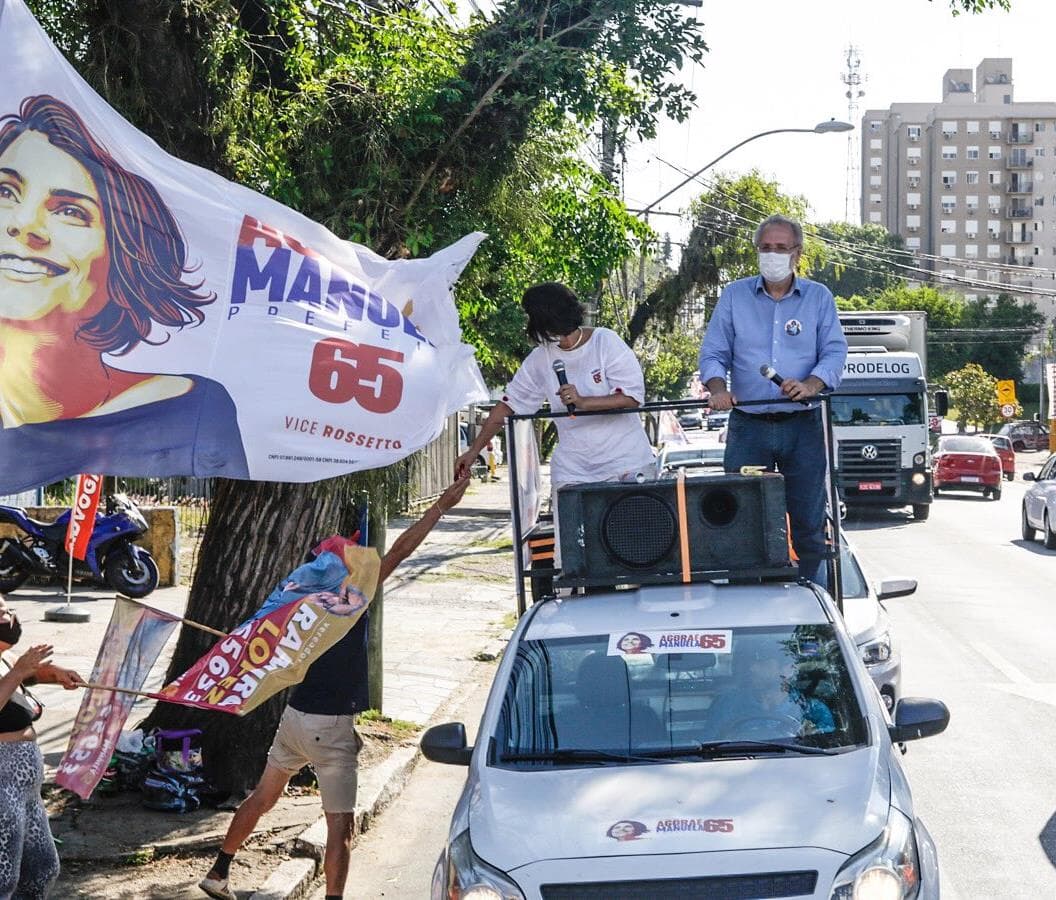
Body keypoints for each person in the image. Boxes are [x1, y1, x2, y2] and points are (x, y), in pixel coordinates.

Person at [198, 473, 471, 900]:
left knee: (263, 796)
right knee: (340, 828)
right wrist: (440, 507)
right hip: (331, 730)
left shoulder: (296, 610)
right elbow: (400, 551)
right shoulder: (345, 607)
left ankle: (219, 870)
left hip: (294, 719)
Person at [0, 94, 247, 488]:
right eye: (6, 192)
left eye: (70, 211)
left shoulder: (188, 409)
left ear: (126, 257)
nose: (22, 223)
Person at [454, 282, 656, 557]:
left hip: (625, 462)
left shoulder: (604, 342)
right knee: (573, 553)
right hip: (575, 468)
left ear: (545, 317)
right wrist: (474, 449)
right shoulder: (541, 358)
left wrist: (583, 402)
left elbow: (632, 397)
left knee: (635, 549)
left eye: (531, 317)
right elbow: (507, 406)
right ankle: (573, 592)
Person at [698, 214, 847, 584]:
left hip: (803, 426)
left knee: (810, 525)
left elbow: (834, 352)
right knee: (740, 523)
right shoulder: (734, 296)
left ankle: (815, 603)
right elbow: (713, 352)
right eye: (766, 248)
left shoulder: (818, 297)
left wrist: (811, 384)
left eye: (781, 248)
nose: (773, 254)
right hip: (748, 426)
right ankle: (748, 608)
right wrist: (718, 389)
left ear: (797, 253)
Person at [0, 596, 85, 900]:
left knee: (42, 868)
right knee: (3, 876)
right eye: (1, 612)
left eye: (8, 609)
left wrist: (54, 673)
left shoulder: (4, 658)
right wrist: (18, 672)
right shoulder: (11, 667)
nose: (9, 617)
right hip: (2, 784)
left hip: (26, 789)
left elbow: (29, 677)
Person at [705, 645, 834, 741]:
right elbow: (708, 745)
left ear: (788, 669)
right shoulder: (726, 705)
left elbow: (829, 748)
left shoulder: (813, 711)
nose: (752, 668)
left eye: (762, 662)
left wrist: (809, 737)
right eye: (751, 662)